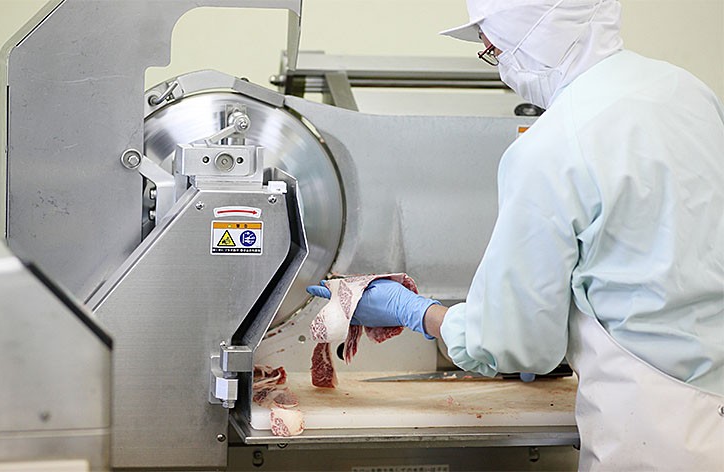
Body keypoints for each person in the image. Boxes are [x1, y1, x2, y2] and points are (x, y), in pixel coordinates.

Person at [308, 0, 724, 469]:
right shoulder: (688, 92)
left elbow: (515, 343)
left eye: (494, 49)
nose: (501, 66)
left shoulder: (553, 145)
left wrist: (417, 312)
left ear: (531, 37)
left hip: (655, 429)